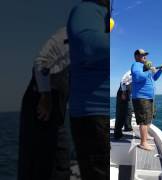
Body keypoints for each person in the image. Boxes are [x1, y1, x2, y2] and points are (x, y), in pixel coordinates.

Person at [18, 27, 70, 180]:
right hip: (42, 99)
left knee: (60, 157)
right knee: (39, 163)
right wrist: (45, 96)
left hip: (59, 102)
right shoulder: (71, 33)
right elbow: (41, 62)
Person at [67, 0, 109, 179]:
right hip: (93, 115)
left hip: (103, 115)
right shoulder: (86, 9)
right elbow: (88, 45)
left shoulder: (104, 15)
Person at [131, 49, 162, 151]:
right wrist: (149, 70)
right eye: (142, 55)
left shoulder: (145, 67)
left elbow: (154, 78)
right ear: (136, 56)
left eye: (145, 55)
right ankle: (143, 143)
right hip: (141, 98)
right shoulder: (136, 65)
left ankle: (145, 136)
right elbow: (138, 77)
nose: (145, 56)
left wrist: (160, 70)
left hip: (150, 98)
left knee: (149, 118)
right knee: (143, 120)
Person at [114, 70, 133, 140]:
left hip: (128, 94)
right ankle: (117, 134)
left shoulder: (141, 72)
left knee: (129, 111)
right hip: (123, 93)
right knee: (121, 113)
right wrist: (124, 93)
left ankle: (127, 127)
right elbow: (123, 81)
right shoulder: (132, 71)